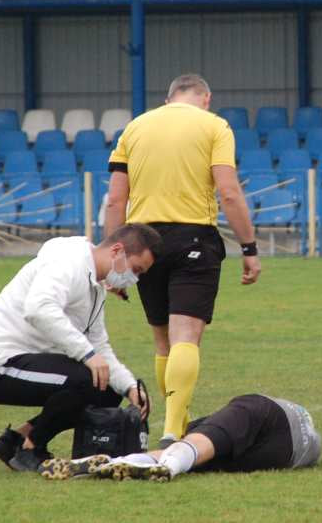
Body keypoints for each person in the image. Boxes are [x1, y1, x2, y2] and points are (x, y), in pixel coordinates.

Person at [104, 73, 261, 448]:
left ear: (168, 98)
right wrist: (249, 247)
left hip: (143, 242)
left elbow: (114, 200)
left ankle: (180, 421)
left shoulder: (135, 128)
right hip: (194, 237)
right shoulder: (214, 126)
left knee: (163, 341)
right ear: (205, 98)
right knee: (186, 337)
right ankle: (174, 430)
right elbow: (228, 191)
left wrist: (115, 261)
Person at [0, 224, 161, 471]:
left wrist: (130, 387)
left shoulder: (95, 286)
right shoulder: (69, 261)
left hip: (23, 360)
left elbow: (99, 345)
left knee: (108, 388)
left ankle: (15, 440)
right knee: (87, 379)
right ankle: (30, 448)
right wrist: (87, 355)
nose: (134, 278)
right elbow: (39, 309)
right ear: (117, 250)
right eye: (136, 269)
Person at [39, 394, 321, 481]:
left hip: (271, 417)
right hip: (291, 452)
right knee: (194, 453)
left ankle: (122, 462)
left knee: (195, 449)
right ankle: (116, 463)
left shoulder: (247, 411)